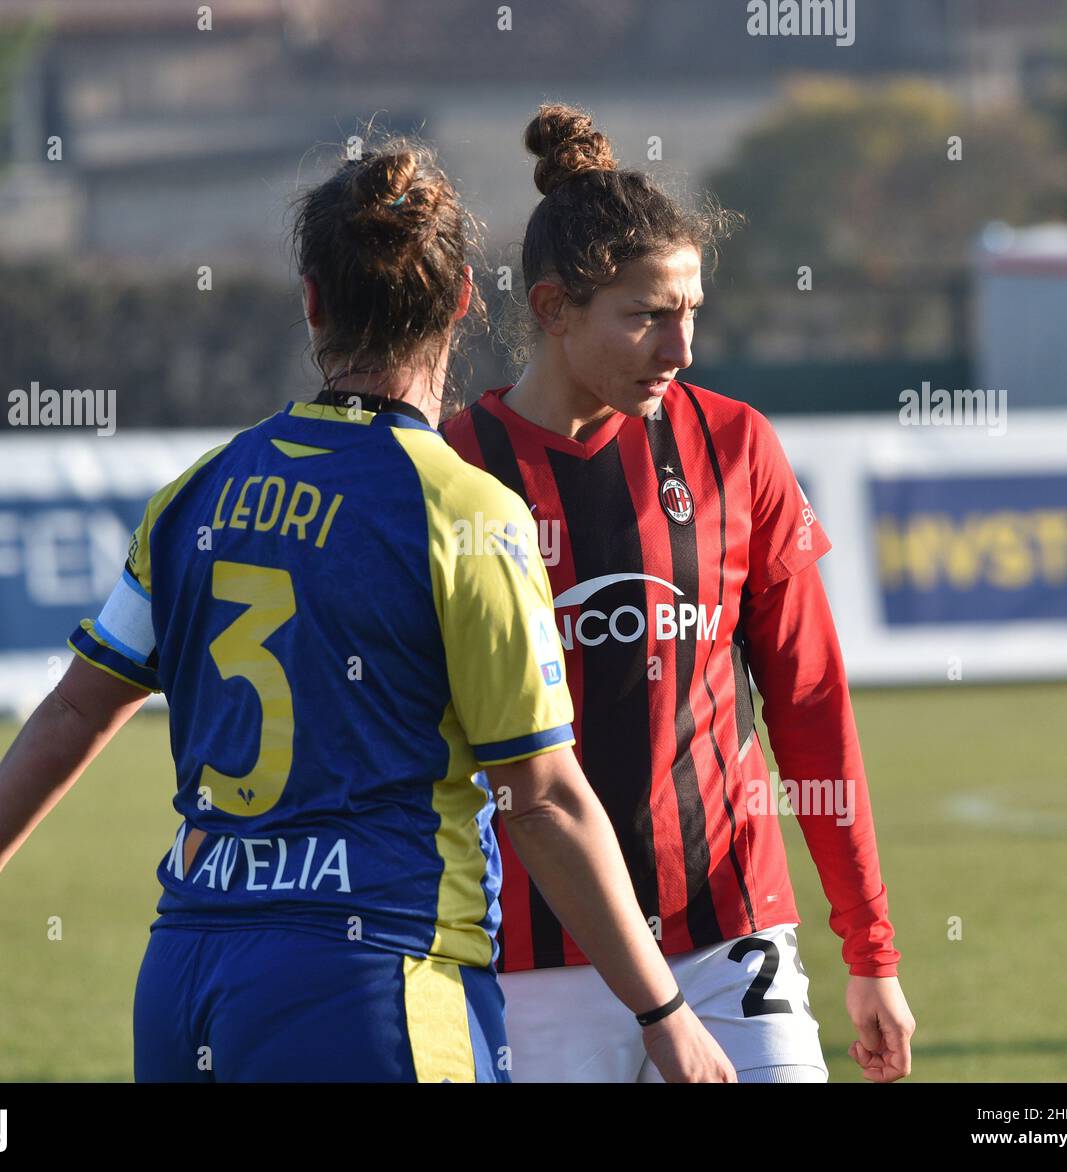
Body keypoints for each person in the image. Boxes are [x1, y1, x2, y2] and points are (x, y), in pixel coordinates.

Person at [0, 136, 734, 1083]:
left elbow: (79, 704)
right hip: (373, 980)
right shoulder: (468, 513)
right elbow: (540, 797)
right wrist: (663, 1011)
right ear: (462, 301)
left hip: (188, 976)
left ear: (312, 299)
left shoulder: (195, 496)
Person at [441, 104, 916, 1083]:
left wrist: (870, 949)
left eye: (691, 310)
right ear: (550, 307)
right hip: (529, 959)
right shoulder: (455, 468)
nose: (679, 346)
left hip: (728, 936)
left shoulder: (737, 445)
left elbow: (811, 701)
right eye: (646, 315)